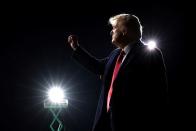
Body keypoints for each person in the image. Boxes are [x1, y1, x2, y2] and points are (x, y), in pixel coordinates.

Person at [67, 14, 169, 131]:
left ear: (124, 31)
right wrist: (76, 48)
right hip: (106, 122)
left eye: (114, 28)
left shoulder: (150, 54)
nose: (111, 32)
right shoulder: (115, 54)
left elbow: (160, 94)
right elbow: (98, 67)